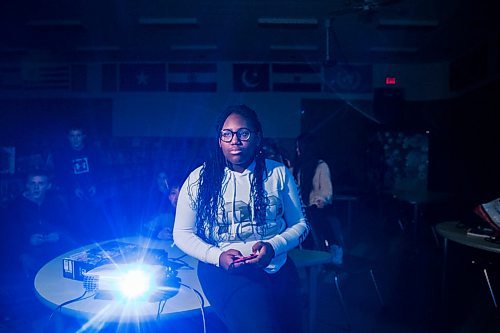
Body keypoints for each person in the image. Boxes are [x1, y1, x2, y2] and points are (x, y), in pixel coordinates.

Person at [173, 105, 309, 333]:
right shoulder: (199, 179)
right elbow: (182, 233)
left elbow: (301, 225)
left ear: (257, 138)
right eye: (227, 134)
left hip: (277, 265)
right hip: (224, 269)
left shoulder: (277, 174)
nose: (234, 140)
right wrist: (217, 256)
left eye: (243, 133)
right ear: (219, 140)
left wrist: (274, 247)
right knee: (262, 327)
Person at [5, 169, 73, 281]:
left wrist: (58, 235)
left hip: (55, 251)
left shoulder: (55, 203)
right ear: (27, 185)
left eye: (41, 183)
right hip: (29, 252)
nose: (36, 187)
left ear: (48, 186)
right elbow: (9, 237)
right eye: (33, 183)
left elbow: (68, 227)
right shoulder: (15, 207)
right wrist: (26, 245)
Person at [293, 132, 344, 265]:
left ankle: (334, 255)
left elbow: (327, 191)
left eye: (299, 147)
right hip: (305, 209)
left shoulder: (321, 166)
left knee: (320, 225)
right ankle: (310, 261)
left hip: (318, 209)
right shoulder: (300, 168)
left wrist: (317, 203)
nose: (297, 150)